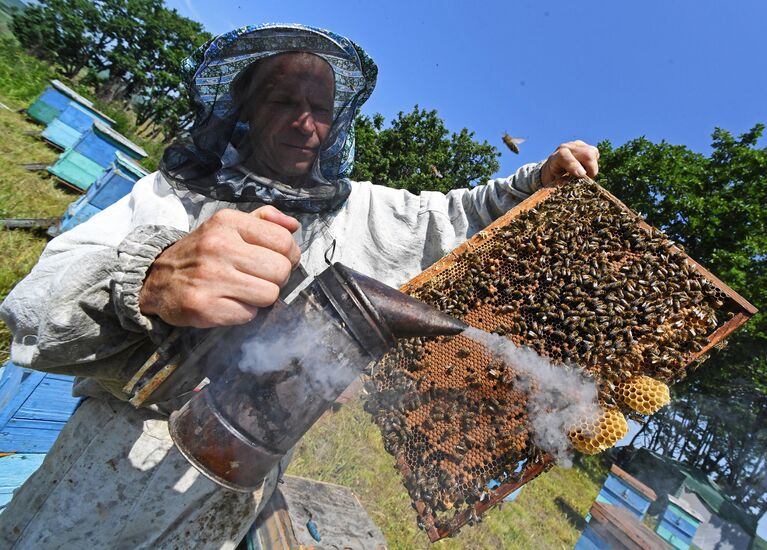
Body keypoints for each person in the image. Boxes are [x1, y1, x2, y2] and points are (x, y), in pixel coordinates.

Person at [0, 23, 599, 549]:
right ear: (244, 110)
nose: (305, 122)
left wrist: (534, 180)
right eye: (283, 100)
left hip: (242, 489)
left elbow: (455, 216)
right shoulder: (168, 197)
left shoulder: (358, 211)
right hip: (112, 465)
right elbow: (31, 307)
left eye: (321, 108)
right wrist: (147, 281)